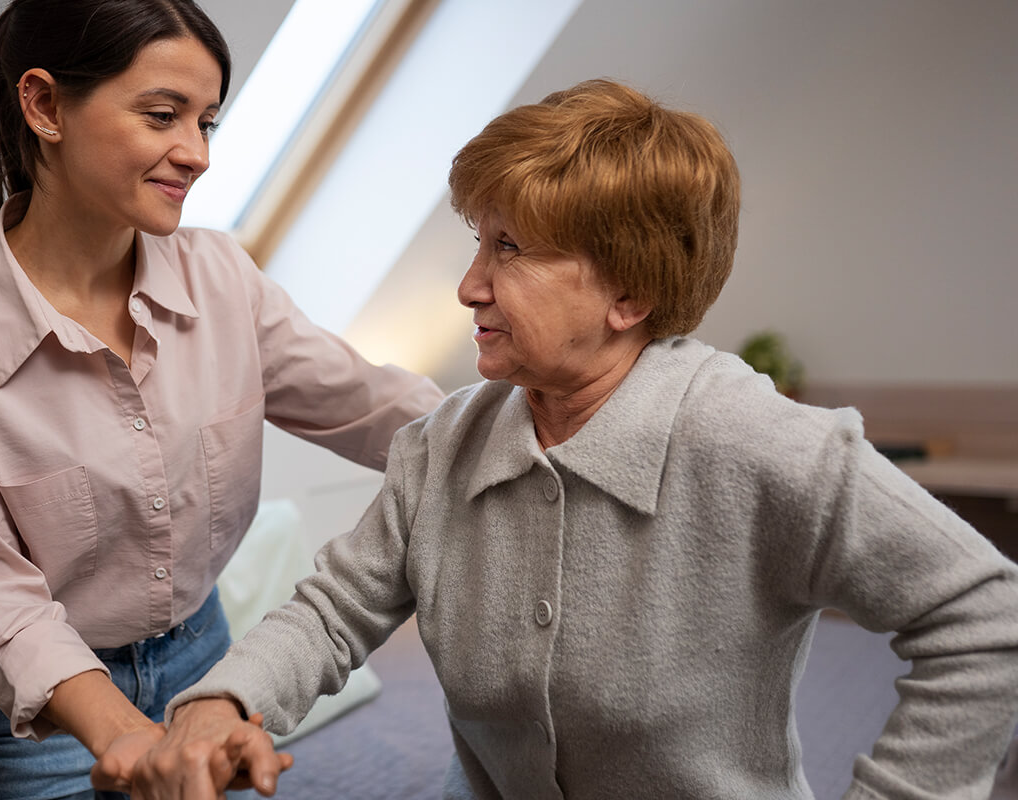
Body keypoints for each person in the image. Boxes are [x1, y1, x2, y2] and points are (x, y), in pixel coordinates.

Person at [94, 79, 1018, 799]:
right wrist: (224, 700)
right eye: (477, 241)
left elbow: (986, 616)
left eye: (511, 249)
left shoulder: (760, 446)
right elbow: (332, 611)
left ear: (630, 294)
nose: (467, 285)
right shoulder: (442, 445)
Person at [0, 1, 444, 798]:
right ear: (43, 106)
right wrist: (131, 738)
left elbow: (370, 405)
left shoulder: (220, 278)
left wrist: (544, 416)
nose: (197, 153)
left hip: (200, 660)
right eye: (163, 116)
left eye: (208, 121)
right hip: (16, 725)